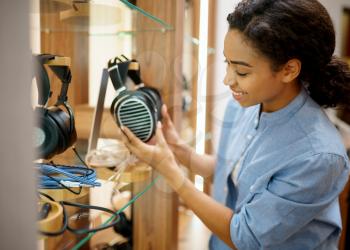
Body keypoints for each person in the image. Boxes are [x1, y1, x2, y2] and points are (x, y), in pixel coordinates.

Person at [118, 0, 350, 249]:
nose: (228, 80)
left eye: (241, 72)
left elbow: (246, 237)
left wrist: (171, 173)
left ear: (289, 69)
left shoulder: (318, 157)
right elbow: (230, 172)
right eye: (227, 63)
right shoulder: (246, 105)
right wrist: (177, 149)